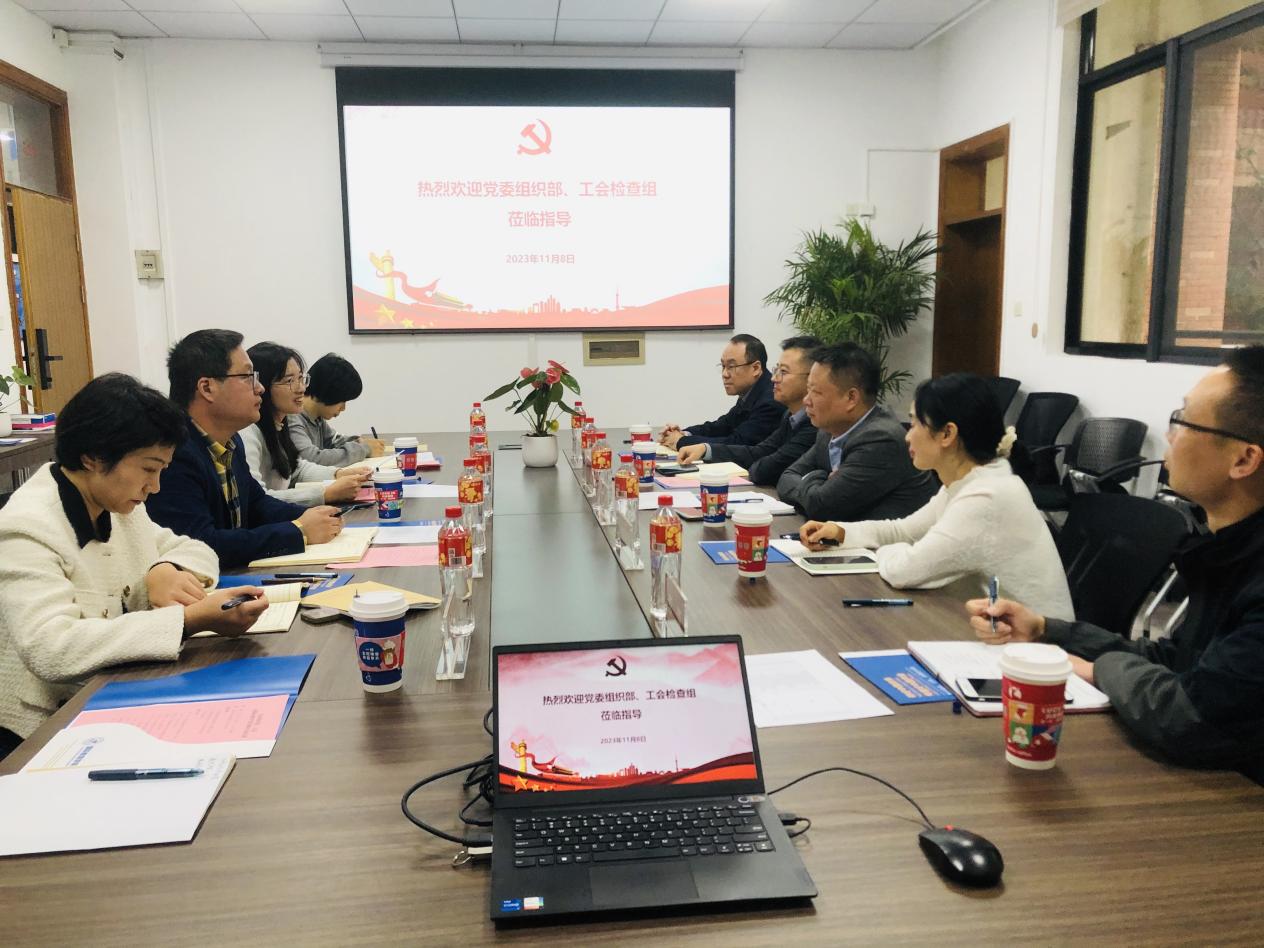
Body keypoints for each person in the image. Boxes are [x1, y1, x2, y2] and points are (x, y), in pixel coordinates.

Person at [968, 347, 1264, 782]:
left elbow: (1190, 717)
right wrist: (1047, 630)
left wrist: (1096, 669)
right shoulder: (1230, 552)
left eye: (1182, 420)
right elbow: (1180, 661)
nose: (1170, 436)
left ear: (1243, 460)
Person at [0, 374, 268, 757]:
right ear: (93, 457)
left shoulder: (115, 504)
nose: (154, 487)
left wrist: (166, 568)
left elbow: (194, 549)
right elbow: (52, 648)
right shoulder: (28, 526)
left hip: (116, 692)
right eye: (148, 469)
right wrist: (187, 620)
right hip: (42, 730)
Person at [801, 373, 1073, 620]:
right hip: (992, 632)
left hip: (1035, 648)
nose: (908, 437)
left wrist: (884, 550)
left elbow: (905, 571)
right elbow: (902, 531)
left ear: (947, 433)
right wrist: (840, 532)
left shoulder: (986, 497)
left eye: (915, 424)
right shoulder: (967, 483)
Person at [147, 329, 343, 569]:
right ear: (207, 388)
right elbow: (201, 543)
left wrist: (312, 516)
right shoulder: (172, 453)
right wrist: (298, 531)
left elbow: (257, 504)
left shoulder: (231, 441)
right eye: (248, 377)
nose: (260, 388)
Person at [776, 342, 936, 521]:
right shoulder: (828, 431)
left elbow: (822, 506)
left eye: (816, 392)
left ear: (851, 398)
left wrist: (811, 480)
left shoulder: (881, 439)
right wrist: (820, 478)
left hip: (893, 539)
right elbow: (786, 478)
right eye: (808, 390)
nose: (806, 400)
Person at [675, 336, 820, 485]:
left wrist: (682, 440)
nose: (774, 379)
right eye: (776, 370)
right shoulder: (790, 415)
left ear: (812, 378)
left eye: (783, 372)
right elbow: (757, 451)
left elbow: (763, 469)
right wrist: (694, 442)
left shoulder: (815, 424)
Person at [240, 342, 370, 507]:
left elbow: (296, 469)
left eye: (301, 378)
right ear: (261, 385)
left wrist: (338, 473)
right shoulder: (247, 432)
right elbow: (257, 501)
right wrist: (325, 493)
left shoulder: (278, 423)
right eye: (290, 380)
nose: (301, 388)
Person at [659, 334, 786, 450]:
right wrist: (683, 433)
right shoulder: (751, 391)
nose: (725, 374)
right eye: (723, 366)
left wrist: (681, 441)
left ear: (756, 368)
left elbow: (738, 443)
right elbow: (721, 426)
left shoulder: (771, 400)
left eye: (731, 366)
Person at [289, 353, 387, 466]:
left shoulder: (316, 418)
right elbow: (312, 458)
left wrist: (359, 441)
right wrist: (364, 449)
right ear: (329, 393)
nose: (343, 408)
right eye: (343, 401)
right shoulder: (292, 417)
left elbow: (333, 441)